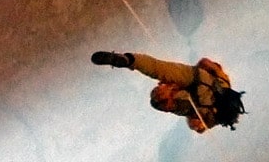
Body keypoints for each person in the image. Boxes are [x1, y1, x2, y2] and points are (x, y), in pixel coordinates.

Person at [91, 51, 245, 133]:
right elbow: (195, 125)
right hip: (196, 103)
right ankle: (165, 93)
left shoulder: (224, 82)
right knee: (157, 100)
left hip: (199, 77)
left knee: (158, 68)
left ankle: (129, 60)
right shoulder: (211, 119)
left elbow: (205, 62)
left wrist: (182, 80)